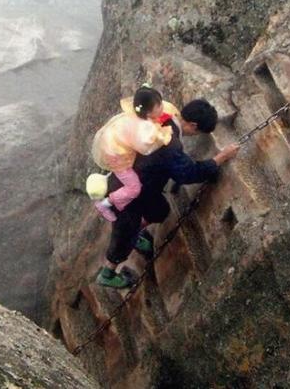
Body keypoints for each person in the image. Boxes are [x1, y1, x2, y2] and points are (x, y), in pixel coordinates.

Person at [97, 98, 240, 288]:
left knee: (160, 210)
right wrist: (221, 157)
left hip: (142, 184)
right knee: (124, 235)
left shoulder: (166, 118)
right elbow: (189, 173)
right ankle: (107, 274)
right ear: (193, 125)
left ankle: (137, 233)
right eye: (197, 132)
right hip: (126, 195)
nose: (195, 135)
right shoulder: (169, 145)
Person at [91, 85, 173, 222]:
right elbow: (146, 148)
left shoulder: (135, 113)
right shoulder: (142, 127)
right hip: (116, 156)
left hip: (112, 143)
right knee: (134, 188)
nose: (162, 107)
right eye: (159, 106)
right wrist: (164, 135)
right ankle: (105, 204)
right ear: (148, 113)